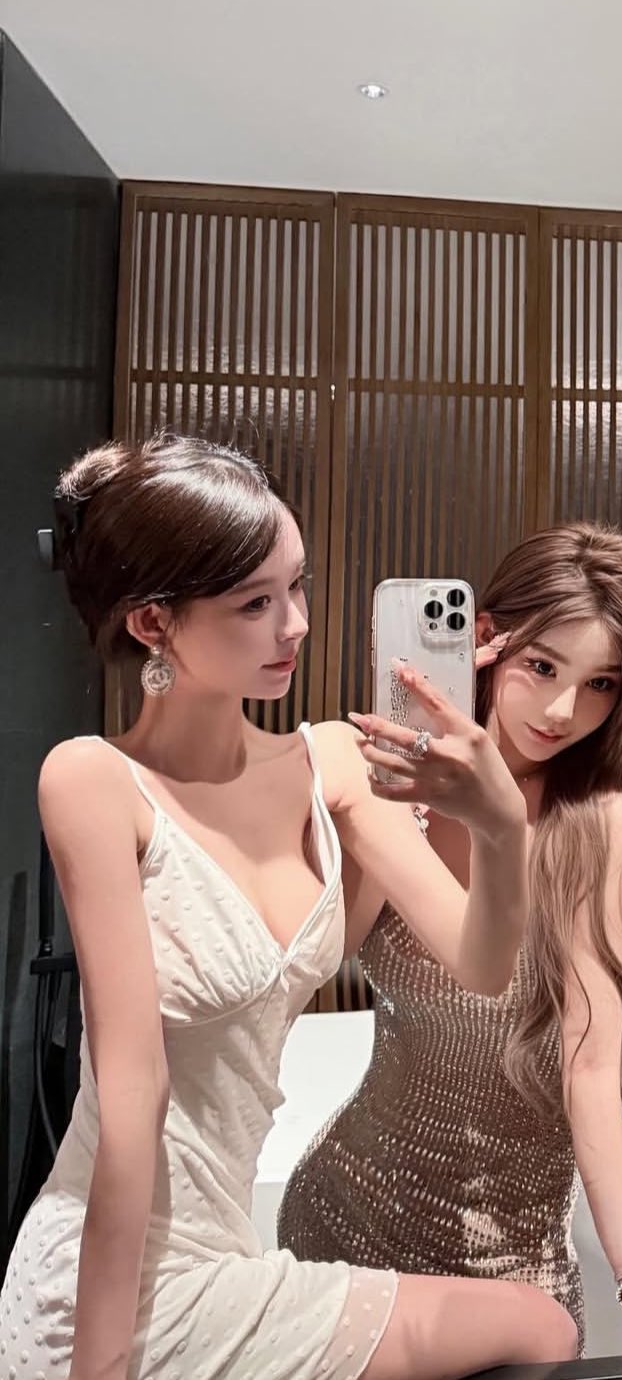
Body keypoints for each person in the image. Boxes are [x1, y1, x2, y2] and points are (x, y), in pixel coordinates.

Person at [0, 434, 580, 1380]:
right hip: (111, 1277)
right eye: (255, 603)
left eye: (298, 586)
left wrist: (500, 825)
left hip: (230, 1253)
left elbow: (482, 966)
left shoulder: (333, 765)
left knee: (544, 1325)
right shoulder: (93, 780)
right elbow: (133, 1094)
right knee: (538, 1328)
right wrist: (97, 1371)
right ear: (152, 623)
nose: (296, 624)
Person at [280, 524, 622, 1368]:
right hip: (348, 1220)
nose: (562, 711)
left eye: (600, 684)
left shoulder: (599, 823)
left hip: (515, 1262)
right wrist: (401, 790)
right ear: (484, 639)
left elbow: (589, 1065)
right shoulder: (385, 787)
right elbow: (324, 959)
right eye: (541, 667)